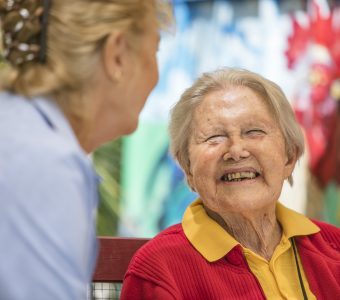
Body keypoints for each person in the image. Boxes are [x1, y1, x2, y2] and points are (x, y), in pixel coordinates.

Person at [0, 0, 172, 299]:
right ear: (117, 55)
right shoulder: (45, 162)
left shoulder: (23, 133)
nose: (157, 76)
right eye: (155, 50)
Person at [120, 68, 340, 300]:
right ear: (187, 167)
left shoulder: (333, 247)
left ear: (290, 156)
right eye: (214, 137)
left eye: (254, 131)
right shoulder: (160, 269)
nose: (236, 150)